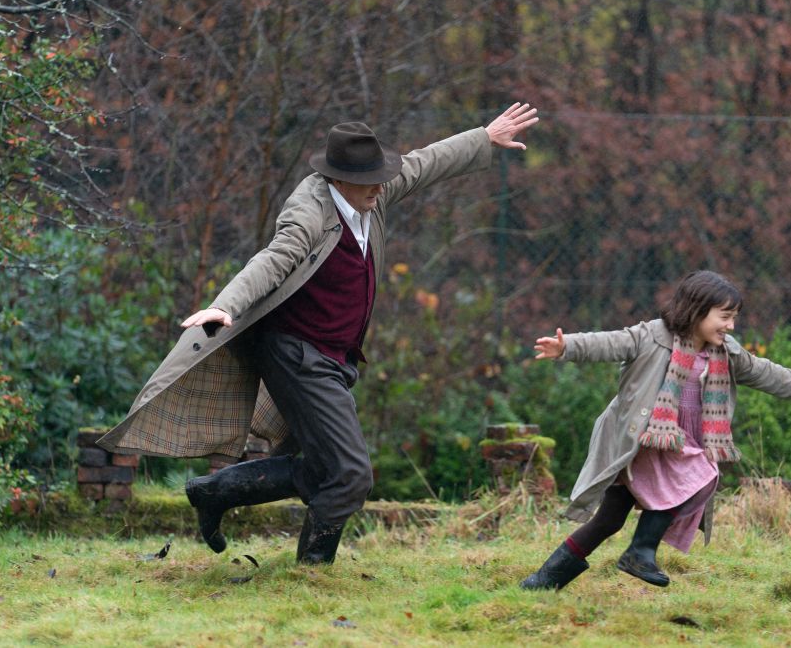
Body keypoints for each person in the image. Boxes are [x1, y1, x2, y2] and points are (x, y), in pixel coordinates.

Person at [98, 103, 539, 564]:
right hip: (297, 354)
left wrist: (483, 137)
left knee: (325, 467)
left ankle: (215, 492)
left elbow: (424, 163)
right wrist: (225, 305)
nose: (380, 187)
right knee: (351, 475)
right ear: (338, 179)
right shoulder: (309, 212)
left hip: (335, 357)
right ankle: (312, 569)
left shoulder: (374, 192)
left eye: (381, 177)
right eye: (368, 181)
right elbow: (274, 259)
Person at [519, 270, 791, 590]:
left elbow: (767, 372)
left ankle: (548, 579)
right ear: (697, 310)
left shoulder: (727, 352)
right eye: (725, 317)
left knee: (614, 517)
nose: (731, 325)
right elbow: (609, 343)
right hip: (643, 440)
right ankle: (634, 554)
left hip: (681, 442)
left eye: (734, 318)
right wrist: (566, 347)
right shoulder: (651, 336)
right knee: (695, 476)